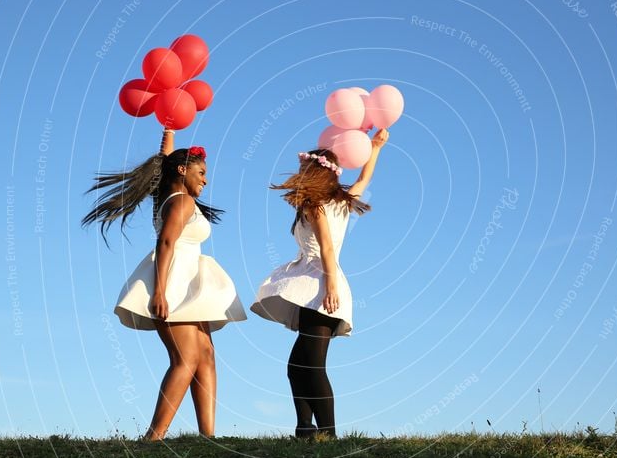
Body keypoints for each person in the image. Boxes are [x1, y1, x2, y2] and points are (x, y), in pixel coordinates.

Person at [81, 130, 246, 441]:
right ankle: (154, 437)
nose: (205, 180)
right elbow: (166, 242)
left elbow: (165, 166)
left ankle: (207, 437)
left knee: (206, 355)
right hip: (174, 283)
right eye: (201, 172)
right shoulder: (180, 201)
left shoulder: (167, 194)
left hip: (189, 285)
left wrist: (168, 133)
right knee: (185, 359)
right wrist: (159, 292)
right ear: (182, 171)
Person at [251, 128, 389, 438]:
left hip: (319, 283)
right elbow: (364, 181)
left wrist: (330, 287)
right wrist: (377, 147)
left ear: (316, 175)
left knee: (311, 364)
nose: (298, 175)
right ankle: (305, 430)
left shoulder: (317, 206)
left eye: (304, 171)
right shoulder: (337, 202)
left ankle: (328, 433)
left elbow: (326, 247)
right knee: (298, 365)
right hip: (315, 283)